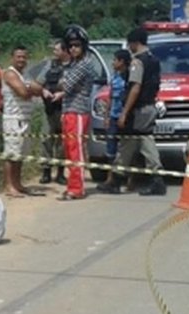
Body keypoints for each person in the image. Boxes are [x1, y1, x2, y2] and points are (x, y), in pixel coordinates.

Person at [104, 27, 166, 196]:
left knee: (140, 141)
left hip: (138, 109)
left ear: (135, 43)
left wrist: (124, 112)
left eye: (130, 44)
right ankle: (117, 179)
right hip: (149, 106)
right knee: (133, 141)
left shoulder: (137, 62)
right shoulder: (154, 60)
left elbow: (135, 88)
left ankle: (155, 179)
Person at [55, 25, 97, 201]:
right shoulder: (74, 64)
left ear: (84, 45)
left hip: (78, 112)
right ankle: (73, 185)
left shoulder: (84, 64)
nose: (73, 49)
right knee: (70, 151)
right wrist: (65, 84)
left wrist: (65, 83)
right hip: (69, 109)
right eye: (70, 45)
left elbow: (65, 84)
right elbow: (63, 83)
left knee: (76, 151)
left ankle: (76, 188)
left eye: (77, 45)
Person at [1, 45, 43, 197]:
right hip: (13, 118)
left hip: (25, 118)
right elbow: (23, 92)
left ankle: (17, 183)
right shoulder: (10, 73)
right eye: (18, 57)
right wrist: (29, 88)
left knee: (20, 153)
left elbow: (39, 89)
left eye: (24, 57)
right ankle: (8, 186)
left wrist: (30, 87)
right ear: (12, 57)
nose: (21, 60)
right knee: (11, 153)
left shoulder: (25, 74)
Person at [38, 40, 69, 185]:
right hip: (49, 108)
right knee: (46, 139)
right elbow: (37, 83)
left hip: (64, 108)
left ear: (64, 51)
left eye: (56, 50)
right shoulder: (48, 65)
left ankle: (61, 173)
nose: (54, 53)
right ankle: (46, 171)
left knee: (62, 143)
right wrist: (43, 90)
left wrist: (62, 93)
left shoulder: (72, 66)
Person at [100, 49, 131, 191]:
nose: (113, 63)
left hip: (126, 117)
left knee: (127, 149)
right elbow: (110, 97)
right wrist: (106, 116)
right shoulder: (114, 77)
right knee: (110, 149)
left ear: (122, 62)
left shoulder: (129, 78)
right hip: (113, 117)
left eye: (115, 60)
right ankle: (110, 179)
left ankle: (130, 180)